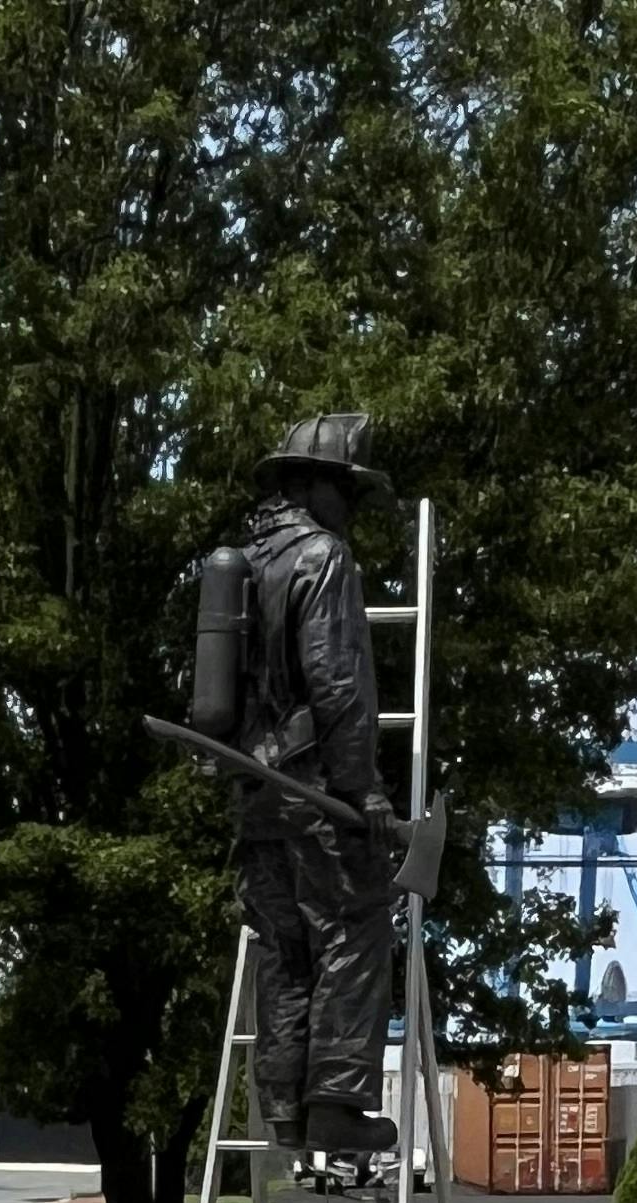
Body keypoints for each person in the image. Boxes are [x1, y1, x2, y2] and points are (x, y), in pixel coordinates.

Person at [230, 414, 403, 1158]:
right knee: (358, 925)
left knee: (285, 950)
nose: (352, 509)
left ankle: (284, 1108)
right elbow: (337, 682)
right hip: (314, 789)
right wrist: (362, 789)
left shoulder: (241, 562)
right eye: (348, 491)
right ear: (312, 485)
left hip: (257, 796)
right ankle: (335, 1100)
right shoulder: (321, 558)